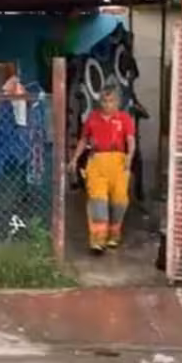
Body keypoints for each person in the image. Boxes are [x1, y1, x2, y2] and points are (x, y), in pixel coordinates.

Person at [68, 86, 135, 254]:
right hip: (97, 161)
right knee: (98, 201)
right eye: (104, 101)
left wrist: (130, 157)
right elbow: (84, 140)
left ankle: (114, 234)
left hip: (119, 163)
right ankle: (98, 240)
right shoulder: (92, 118)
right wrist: (75, 159)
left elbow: (130, 140)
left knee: (120, 201)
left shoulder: (124, 118)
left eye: (111, 101)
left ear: (117, 102)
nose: (107, 104)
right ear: (100, 101)